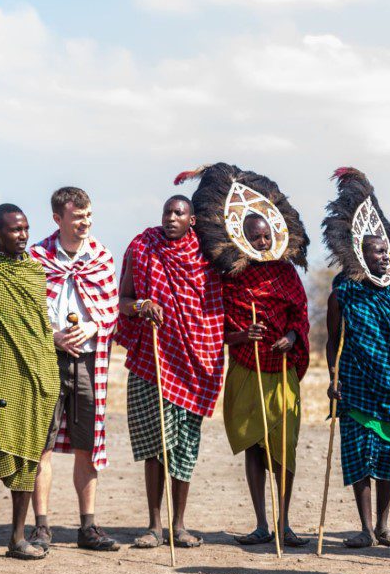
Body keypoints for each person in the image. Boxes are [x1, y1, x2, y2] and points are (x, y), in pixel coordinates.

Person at [180, 163, 310, 548]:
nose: (263, 241)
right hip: (245, 367)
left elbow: (300, 317)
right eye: (255, 236)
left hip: (281, 368)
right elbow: (215, 328)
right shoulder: (229, 277)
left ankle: (285, 523)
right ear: (242, 236)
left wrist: (289, 336)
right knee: (253, 443)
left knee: (284, 445)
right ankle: (261, 524)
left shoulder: (287, 273)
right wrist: (242, 334)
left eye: (267, 235)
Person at [116, 195, 224, 549]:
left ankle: (179, 525)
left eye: (179, 213)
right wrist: (143, 305)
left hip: (194, 366)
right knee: (154, 446)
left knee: (184, 449)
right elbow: (124, 301)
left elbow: (213, 312)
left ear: (191, 219)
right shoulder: (143, 247)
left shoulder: (207, 258)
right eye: (167, 212)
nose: (171, 218)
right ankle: (154, 525)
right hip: (153, 363)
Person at [0, 204, 60, 560]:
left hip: (36, 379)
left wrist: (48, 377)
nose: (23, 235)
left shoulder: (34, 273)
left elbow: (39, 330)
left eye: (26, 228)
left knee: (27, 461)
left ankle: (18, 537)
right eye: (15, 229)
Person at [323, 168, 390, 549]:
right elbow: (332, 340)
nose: (383, 256)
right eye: (377, 251)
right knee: (360, 453)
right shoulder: (343, 292)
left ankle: (383, 525)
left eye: (386, 251)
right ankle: (363, 528)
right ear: (362, 253)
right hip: (356, 385)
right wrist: (333, 377)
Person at [29, 187, 119, 552]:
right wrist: (52, 337)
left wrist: (94, 326)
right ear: (58, 219)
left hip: (87, 360)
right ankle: (41, 527)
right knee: (41, 444)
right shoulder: (36, 258)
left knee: (88, 444)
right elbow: (27, 312)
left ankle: (88, 527)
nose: (85, 222)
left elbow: (110, 308)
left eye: (88, 216)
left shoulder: (101, 257)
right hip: (48, 358)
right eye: (78, 217)